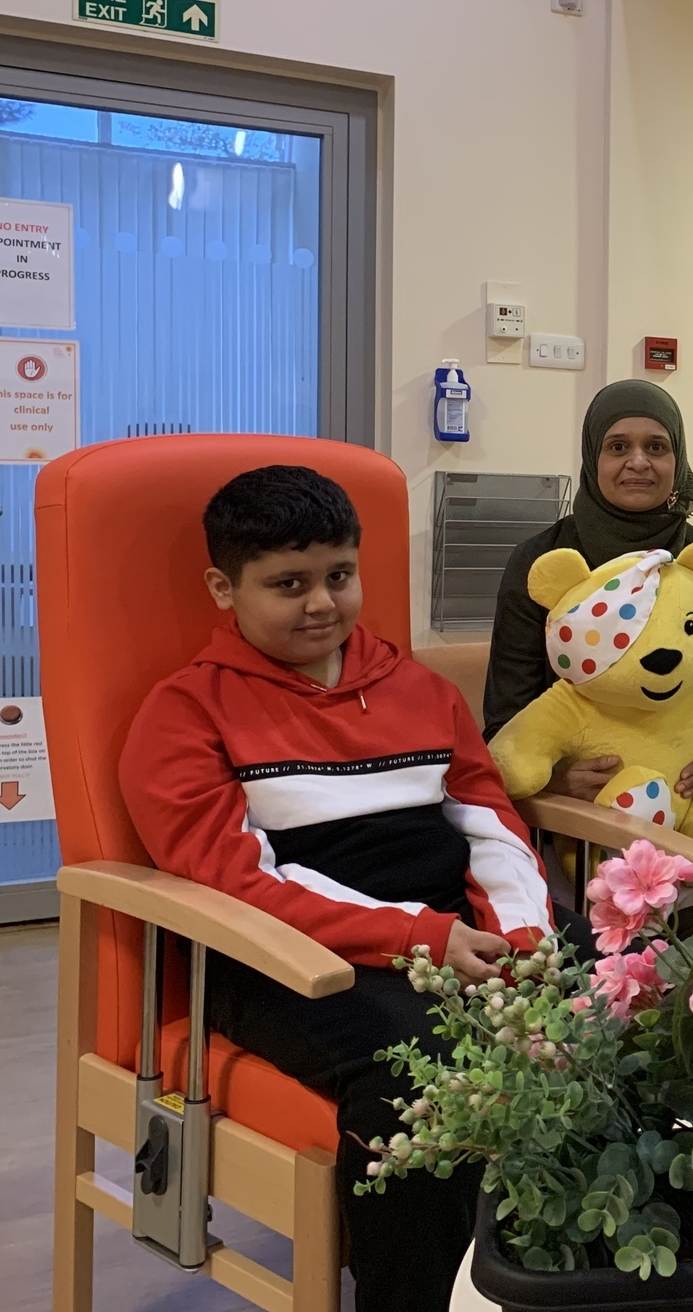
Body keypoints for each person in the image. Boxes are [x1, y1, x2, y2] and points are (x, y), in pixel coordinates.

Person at [119, 466, 561, 1312]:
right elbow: (235, 883)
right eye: (288, 584)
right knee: (429, 1073)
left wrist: (526, 937)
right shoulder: (186, 713)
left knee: (621, 990)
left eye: (339, 576)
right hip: (287, 963)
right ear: (224, 588)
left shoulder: (421, 690)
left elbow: (488, 822)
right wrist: (422, 940)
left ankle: (568, 1276)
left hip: (454, 932)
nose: (322, 602)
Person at [486, 381, 693, 807]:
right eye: (617, 447)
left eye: (656, 447)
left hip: (690, 799)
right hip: (570, 816)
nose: (638, 462)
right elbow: (504, 721)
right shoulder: (543, 564)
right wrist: (554, 779)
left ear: (678, 459)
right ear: (593, 458)